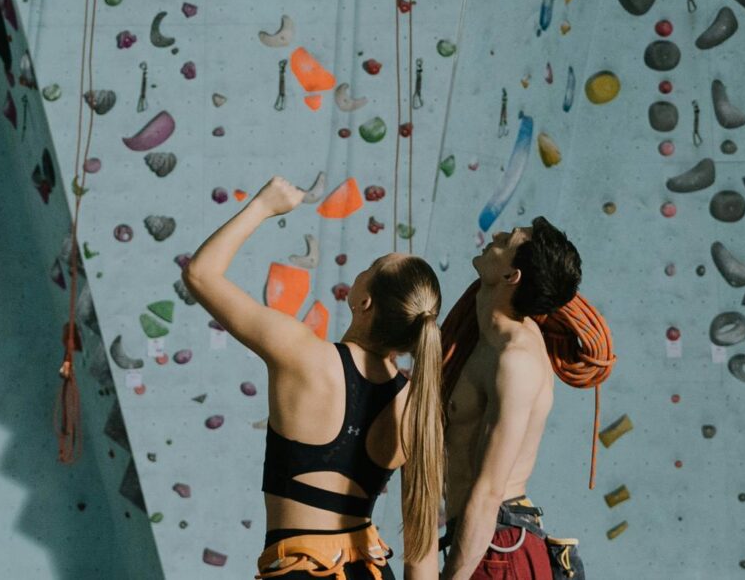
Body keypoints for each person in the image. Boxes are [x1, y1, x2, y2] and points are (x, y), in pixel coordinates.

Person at [185, 176, 446, 580]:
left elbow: (201, 274)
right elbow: (423, 551)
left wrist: (263, 206)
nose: (362, 270)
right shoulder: (418, 405)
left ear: (364, 301)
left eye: (370, 268)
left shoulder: (303, 355)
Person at [436, 217, 609, 580]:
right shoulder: (485, 338)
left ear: (511, 276)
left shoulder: (515, 360)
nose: (496, 236)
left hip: (497, 550)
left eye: (507, 240)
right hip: (484, 544)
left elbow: (488, 491)